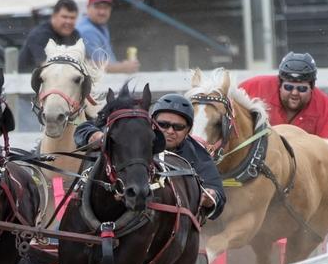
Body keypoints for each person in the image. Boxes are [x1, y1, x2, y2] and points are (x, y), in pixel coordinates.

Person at [74, 93, 226, 219]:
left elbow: (217, 195)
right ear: (152, 122)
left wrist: (210, 199)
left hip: (165, 224)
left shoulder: (198, 155)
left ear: (188, 130)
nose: (170, 131)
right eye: (164, 124)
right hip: (101, 209)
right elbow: (83, 129)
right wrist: (94, 135)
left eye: (178, 127)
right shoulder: (130, 133)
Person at [238, 52, 328, 162]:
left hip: (304, 169)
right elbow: (229, 109)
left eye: (301, 89)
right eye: (288, 87)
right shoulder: (255, 87)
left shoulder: (324, 105)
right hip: (257, 165)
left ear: (311, 88)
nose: (294, 93)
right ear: (280, 85)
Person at [76, 0, 140, 74]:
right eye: (97, 7)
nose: (102, 12)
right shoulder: (87, 31)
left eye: (105, 7)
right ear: (88, 8)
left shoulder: (98, 25)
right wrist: (124, 67)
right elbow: (98, 66)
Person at [18, 0, 80, 73]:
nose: (68, 21)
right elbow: (48, 67)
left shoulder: (75, 34)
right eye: (64, 17)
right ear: (54, 16)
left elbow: (82, 61)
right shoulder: (40, 35)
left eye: (72, 18)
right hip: (29, 81)